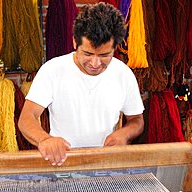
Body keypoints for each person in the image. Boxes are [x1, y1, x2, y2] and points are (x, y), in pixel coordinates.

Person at [19, 2, 144, 166]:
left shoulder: (123, 74)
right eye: (87, 53)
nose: (95, 63)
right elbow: (27, 117)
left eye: (105, 55)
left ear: (115, 48)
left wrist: (125, 134)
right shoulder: (52, 70)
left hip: (105, 163)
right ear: (74, 42)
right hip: (62, 163)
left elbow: (136, 120)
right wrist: (45, 139)